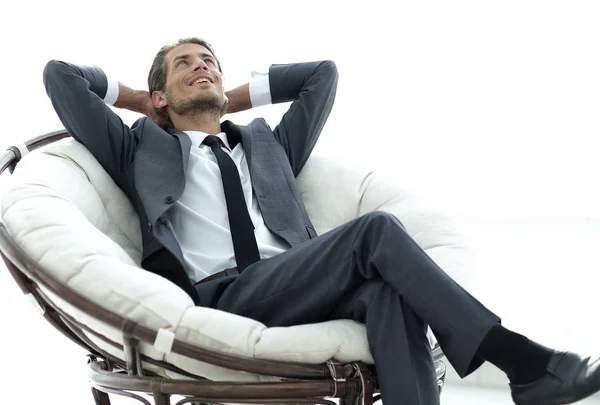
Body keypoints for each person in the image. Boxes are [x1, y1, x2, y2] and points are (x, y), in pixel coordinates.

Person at [43, 37, 600, 405]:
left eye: (210, 60)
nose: (203, 66)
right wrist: (143, 100)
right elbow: (62, 75)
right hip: (219, 296)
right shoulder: (140, 146)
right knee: (374, 230)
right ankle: (521, 361)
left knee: (385, 294)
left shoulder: (269, 146)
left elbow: (321, 76)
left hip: (297, 282)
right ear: (162, 93)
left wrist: (223, 99)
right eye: (185, 63)